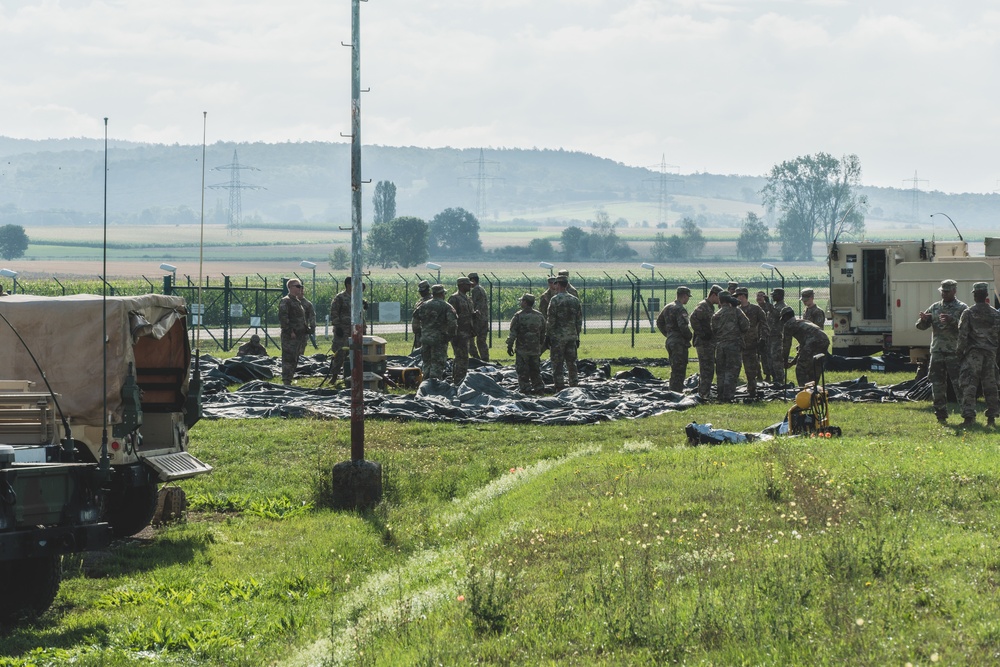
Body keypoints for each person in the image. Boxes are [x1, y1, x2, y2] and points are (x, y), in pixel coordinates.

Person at [916, 279, 967, 422]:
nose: (944, 294)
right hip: (937, 351)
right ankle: (940, 415)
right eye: (942, 291)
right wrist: (924, 319)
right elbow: (920, 327)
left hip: (954, 352)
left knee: (959, 383)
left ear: (954, 291)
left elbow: (967, 329)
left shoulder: (962, 308)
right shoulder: (935, 307)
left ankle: (967, 414)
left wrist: (952, 320)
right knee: (937, 384)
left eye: (947, 291)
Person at [955, 282, 1000, 428]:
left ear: (974, 295)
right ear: (987, 295)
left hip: (973, 354)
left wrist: (959, 354)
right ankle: (992, 418)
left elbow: (963, 336)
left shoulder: (968, 313)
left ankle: (969, 417)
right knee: (990, 385)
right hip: (990, 354)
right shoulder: (995, 313)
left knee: (969, 385)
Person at [411, 284, 457, 380]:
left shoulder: (424, 305)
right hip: (439, 340)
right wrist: (449, 336)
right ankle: (434, 385)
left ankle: (425, 384)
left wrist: (419, 332)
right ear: (441, 294)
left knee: (427, 363)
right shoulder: (446, 306)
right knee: (437, 363)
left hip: (425, 338)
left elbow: (415, 319)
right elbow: (452, 324)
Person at [546, 275, 583, 390]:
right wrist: (577, 336)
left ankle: (559, 387)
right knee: (571, 363)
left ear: (558, 284)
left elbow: (551, 320)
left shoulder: (555, 300)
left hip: (558, 337)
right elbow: (578, 321)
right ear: (566, 285)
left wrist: (548, 335)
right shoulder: (575, 300)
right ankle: (574, 385)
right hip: (571, 336)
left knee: (558, 364)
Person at [712, 292, 750, 402]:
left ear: (720, 300)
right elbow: (746, 325)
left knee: (721, 371)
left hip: (720, 346)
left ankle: (720, 395)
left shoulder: (716, 315)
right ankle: (728, 396)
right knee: (732, 371)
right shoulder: (736, 311)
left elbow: (714, 330)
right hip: (733, 345)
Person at [278, 278, 316, 385]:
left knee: (295, 358)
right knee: (288, 358)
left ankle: (289, 379)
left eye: (300, 286)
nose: (300, 289)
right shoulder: (286, 301)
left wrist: (307, 329)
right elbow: (283, 318)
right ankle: (286, 380)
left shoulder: (297, 301)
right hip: (291, 336)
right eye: (297, 286)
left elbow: (303, 318)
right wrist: (290, 331)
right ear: (290, 288)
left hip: (300, 335)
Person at [780, 307, 830, 387]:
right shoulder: (802, 321)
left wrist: (785, 360)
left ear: (785, 317)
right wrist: (793, 362)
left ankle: (804, 391)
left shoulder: (788, 325)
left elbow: (786, 345)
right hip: (824, 340)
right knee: (815, 366)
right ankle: (814, 391)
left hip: (813, 342)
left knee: (801, 368)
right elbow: (802, 347)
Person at [506, 293, 546, 394]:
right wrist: (540, 345)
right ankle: (539, 387)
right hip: (535, 349)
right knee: (535, 370)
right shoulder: (539, 316)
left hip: (522, 349)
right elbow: (543, 333)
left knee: (522, 371)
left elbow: (513, 333)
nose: (521, 302)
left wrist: (509, 346)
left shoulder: (519, 316)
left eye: (522, 301)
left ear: (525, 302)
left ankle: (525, 388)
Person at [656, 286, 692, 392]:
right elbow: (683, 327)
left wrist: (668, 334)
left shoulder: (668, 307)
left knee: (674, 367)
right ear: (684, 296)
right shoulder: (680, 309)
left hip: (670, 341)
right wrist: (689, 336)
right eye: (687, 297)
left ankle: (673, 390)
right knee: (679, 369)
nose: (688, 299)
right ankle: (676, 392)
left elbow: (659, 322)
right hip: (679, 343)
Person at [329, 277, 366, 380]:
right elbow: (334, 312)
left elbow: (361, 315)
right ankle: (334, 376)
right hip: (343, 330)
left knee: (355, 353)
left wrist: (364, 327)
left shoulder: (357, 298)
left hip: (355, 330)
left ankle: (350, 375)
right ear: (348, 285)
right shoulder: (340, 297)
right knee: (340, 353)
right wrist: (337, 326)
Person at [690, 284, 722, 401]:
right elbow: (693, 319)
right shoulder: (703, 306)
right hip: (703, 342)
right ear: (713, 295)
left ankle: (704, 392)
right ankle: (703, 394)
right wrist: (702, 333)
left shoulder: (710, 306)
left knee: (708, 368)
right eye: (718, 297)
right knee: (706, 369)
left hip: (709, 342)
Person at [736, 287, 769, 399]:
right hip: (738, 343)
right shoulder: (736, 310)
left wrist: (763, 339)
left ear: (743, 296)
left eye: (738, 296)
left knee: (751, 369)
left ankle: (752, 390)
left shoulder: (756, 309)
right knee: (735, 368)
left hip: (751, 343)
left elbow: (764, 324)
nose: (737, 298)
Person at [448, 277, 476, 385]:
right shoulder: (454, 299)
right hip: (458, 333)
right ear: (461, 285)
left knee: (463, 358)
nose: (470, 286)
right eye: (467, 284)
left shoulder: (467, 298)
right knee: (461, 358)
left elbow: (468, 314)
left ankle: (459, 379)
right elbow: (452, 316)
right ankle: (458, 381)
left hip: (466, 332)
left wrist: (473, 315)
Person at [766, 287, 788, 386]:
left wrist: (769, 305)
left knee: (777, 359)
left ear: (780, 295)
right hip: (770, 336)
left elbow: (777, 315)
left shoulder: (783, 307)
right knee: (770, 359)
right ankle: (774, 379)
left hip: (777, 336)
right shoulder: (775, 306)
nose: (773, 296)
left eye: (774, 294)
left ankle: (780, 379)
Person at [468, 272, 490, 361]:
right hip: (484, 319)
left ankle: (476, 359)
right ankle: (485, 359)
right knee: (481, 341)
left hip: (478, 319)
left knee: (470, 340)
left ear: (473, 280)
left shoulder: (476, 290)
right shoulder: (482, 289)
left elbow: (473, 304)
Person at [756, 290, 774, 382]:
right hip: (756, 335)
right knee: (755, 357)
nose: (759, 298)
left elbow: (773, 311)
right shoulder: (754, 308)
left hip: (765, 336)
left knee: (765, 357)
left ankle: (768, 375)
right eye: (758, 296)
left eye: (761, 296)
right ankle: (758, 375)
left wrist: (768, 303)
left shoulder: (767, 307)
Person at [411, 280, 432, 352]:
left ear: (428, 289)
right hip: (419, 332)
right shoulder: (420, 301)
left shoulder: (431, 301)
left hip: (428, 331)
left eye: (423, 291)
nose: (421, 293)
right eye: (420, 291)